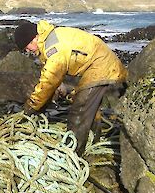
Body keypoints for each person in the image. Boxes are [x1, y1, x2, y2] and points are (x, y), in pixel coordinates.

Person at [14, 20, 127, 156]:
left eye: (27, 47)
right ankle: (94, 140)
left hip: (101, 66)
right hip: (97, 64)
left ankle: (72, 155)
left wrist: (31, 107)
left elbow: (48, 82)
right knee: (90, 106)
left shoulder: (53, 49)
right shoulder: (49, 37)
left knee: (79, 110)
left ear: (34, 38)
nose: (28, 51)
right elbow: (51, 76)